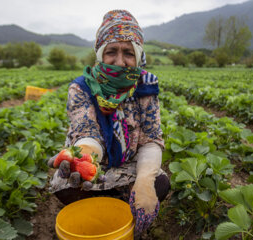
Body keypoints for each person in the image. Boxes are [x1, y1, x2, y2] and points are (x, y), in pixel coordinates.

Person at [48, 9, 170, 237]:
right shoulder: (82, 88)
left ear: (139, 55)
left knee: (158, 183)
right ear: (100, 54)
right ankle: (108, 202)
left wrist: (144, 181)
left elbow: (151, 140)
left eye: (129, 53)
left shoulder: (147, 86)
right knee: (67, 187)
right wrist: (84, 155)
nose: (121, 62)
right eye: (111, 51)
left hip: (129, 162)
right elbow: (88, 133)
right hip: (96, 165)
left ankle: (123, 198)